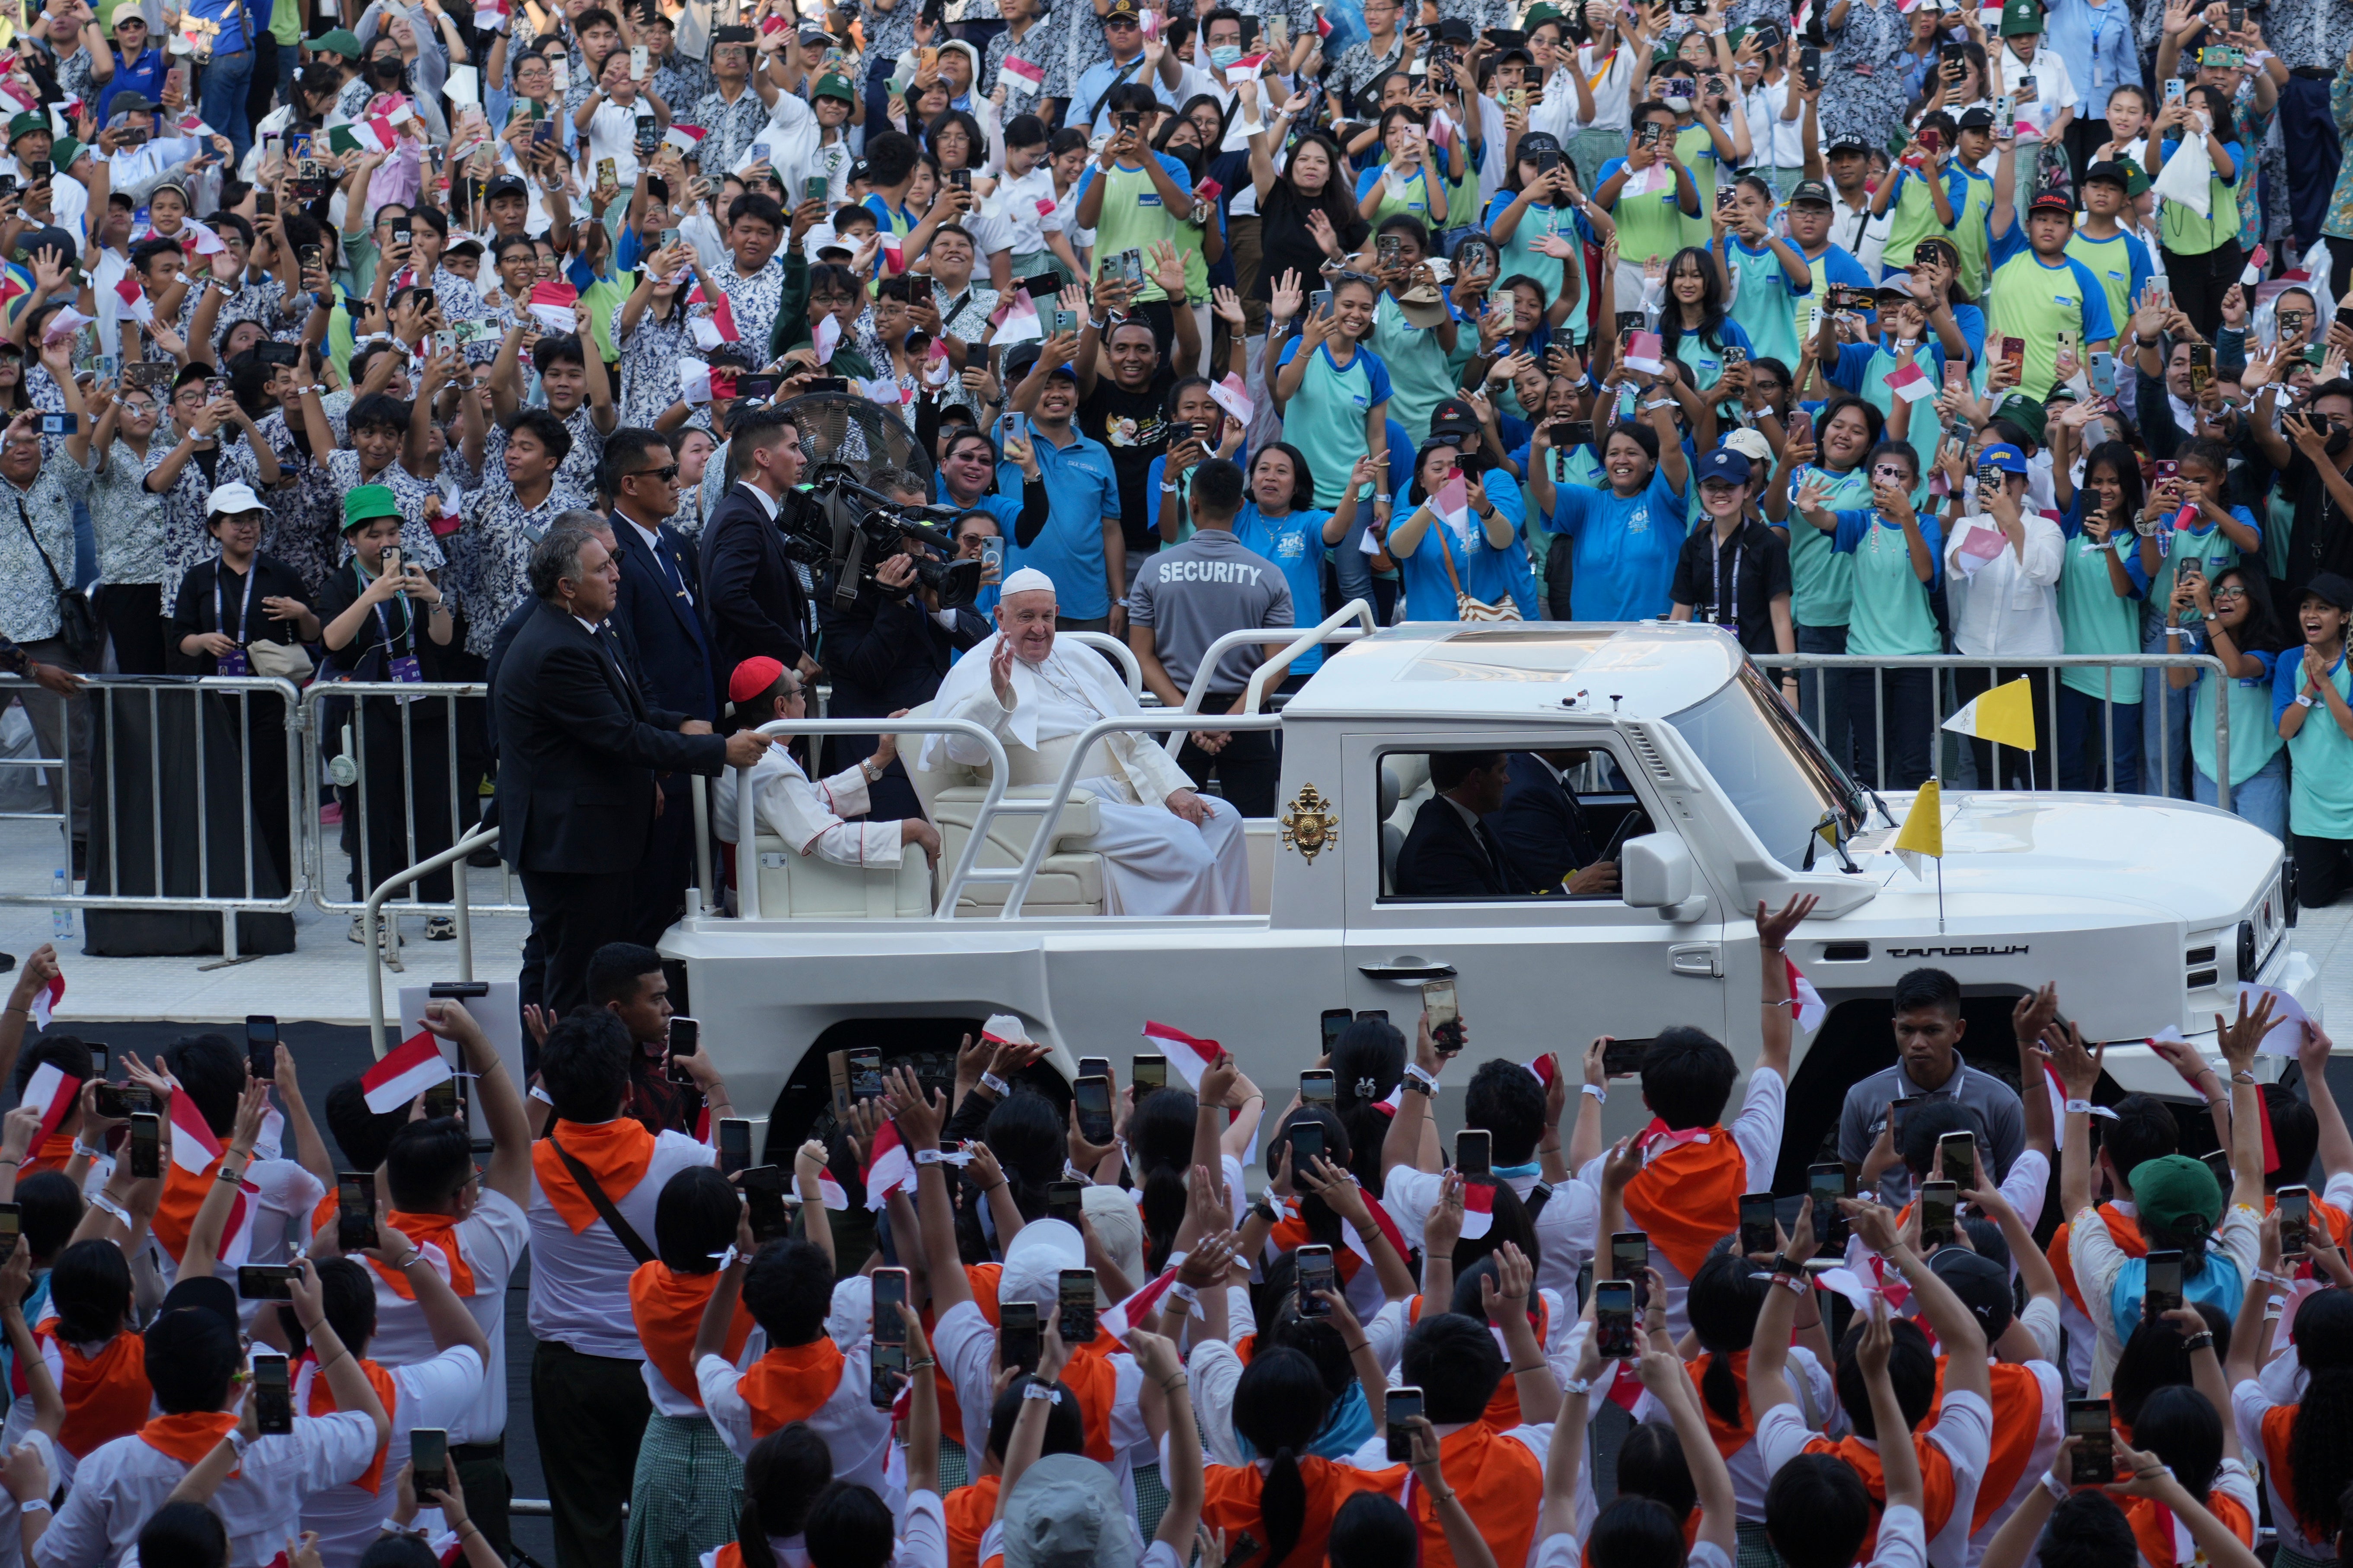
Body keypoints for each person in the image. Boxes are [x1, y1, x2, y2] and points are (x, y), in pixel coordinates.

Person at [493, 526, 770, 1020]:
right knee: (576, 982)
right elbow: (619, 736)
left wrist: (682, 724)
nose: (618, 573)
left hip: (595, 840)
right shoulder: (557, 648)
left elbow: (629, 711)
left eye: (614, 561)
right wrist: (717, 750)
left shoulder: (588, 629)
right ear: (568, 586)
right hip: (571, 849)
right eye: (603, 568)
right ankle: (563, 1087)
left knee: (597, 976)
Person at [922, 567, 1251, 917]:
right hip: (1053, 802)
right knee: (1182, 842)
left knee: (1223, 820)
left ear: (1057, 615)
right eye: (1026, 617)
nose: (1039, 629)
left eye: (1047, 617)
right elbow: (960, 751)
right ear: (1001, 617)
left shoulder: (1081, 657)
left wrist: (1172, 789)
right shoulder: (976, 668)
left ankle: (1229, 933)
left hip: (1121, 789)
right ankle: (1190, 953)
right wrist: (995, 694)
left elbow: (1134, 738)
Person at [527, 1007, 723, 1568]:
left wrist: (546, 1080)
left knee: (583, 1534)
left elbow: (515, 1139)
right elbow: (737, 1181)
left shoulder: (531, 1169)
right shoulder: (677, 1160)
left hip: (565, 1373)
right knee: (663, 1526)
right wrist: (713, 1088)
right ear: (627, 1085)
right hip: (656, 1366)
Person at [600, 427, 719, 948]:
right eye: (666, 473)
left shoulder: (674, 544)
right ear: (629, 484)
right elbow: (622, 663)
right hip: (657, 755)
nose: (678, 483)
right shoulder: (608, 554)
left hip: (694, 748)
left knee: (688, 893)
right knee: (649, 905)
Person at [1125, 458, 1294, 818]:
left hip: (1177, 719)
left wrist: (1192, 718)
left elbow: (1141, 655)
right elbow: (1277, 668)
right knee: (1255, 839)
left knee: (1176, 843)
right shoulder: (1270, 575)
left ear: (1192, 503)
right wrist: (1228, 721)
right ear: (1240, 505)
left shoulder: (1154, 569)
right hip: (1247, 719)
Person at [712, 656, 942, 890]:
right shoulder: (771, 769)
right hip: (779, 898)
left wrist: (880, 759)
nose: (804, 701)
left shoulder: (738, 752)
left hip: (763, 890)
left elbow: (806, 799)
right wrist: (908, 829)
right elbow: (831, 840)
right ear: (782, 707)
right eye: (800, 693)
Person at [1837, 967, 2029, 1209]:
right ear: (1895, 1027)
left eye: (1932, 1031)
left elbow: (2018, 1190)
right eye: (1907, 1030)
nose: (1917, 1043)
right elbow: (1851, 1191)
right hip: (1891, 1241)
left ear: (1958, 1030)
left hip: (1974, 1242)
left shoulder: (1999, 1100)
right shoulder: (1863, 1097)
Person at [699, 407, 819, 683]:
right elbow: (727, 596)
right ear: (762, 457)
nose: (803, 460)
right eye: (793, 448)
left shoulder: (745, 511)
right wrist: (791, 653)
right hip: (755, 688)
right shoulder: (742, 517)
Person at [2275, 572, 2353, 905]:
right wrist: (2309, 686)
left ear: (2344, 617)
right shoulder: (2290, 660)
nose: (2310, 615)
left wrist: (2326, 680)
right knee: (2312, 900)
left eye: (2322, 608)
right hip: (2311, 807)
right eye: (2305, 607)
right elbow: (2285, 730)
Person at [1392, 751, 1526, 899]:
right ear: (1476, 779)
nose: (1507, 780)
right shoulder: (1437, 851)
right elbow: (1485, 917)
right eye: (1501, 771)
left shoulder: (1470, 823)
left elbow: (1518, 895)